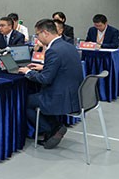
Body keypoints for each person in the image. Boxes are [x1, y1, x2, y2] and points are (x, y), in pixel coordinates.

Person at [19, 19, 84, 149]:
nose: (37, 38)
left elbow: (45, 79)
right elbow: (63, 67)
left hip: (59, 96)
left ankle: (52, 128)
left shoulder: (53, 50)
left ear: (45, 33)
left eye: (37, 34)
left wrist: (28, 72)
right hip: (73, 93)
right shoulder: (68, 46)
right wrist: (44, 67)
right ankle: (54, 127)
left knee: (24, 102)